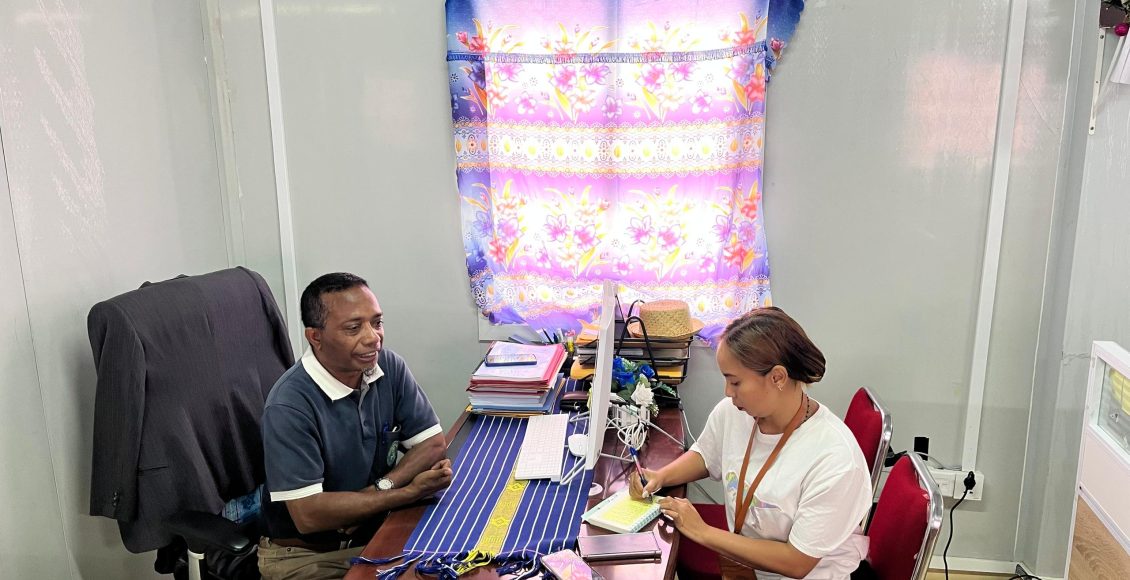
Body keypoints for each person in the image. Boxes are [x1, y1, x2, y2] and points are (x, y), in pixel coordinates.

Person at [629, 307, 871, 580]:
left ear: (778, 377)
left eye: (735, 382)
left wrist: (703, 531)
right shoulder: (736, 412)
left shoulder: (835, 460)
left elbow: (797, 562)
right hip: (745, 567)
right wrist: (661, 476)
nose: (727, 392)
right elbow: (707, 454)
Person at [258, 273, 453, 580]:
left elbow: (432, 443)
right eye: (353, 328)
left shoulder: (387, 366)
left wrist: (380, 490)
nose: (373, 337)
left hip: (376, 530)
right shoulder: (289, 405)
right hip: (307, 557)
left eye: (377, 322)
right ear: (315, 337)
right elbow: (309, 515)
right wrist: (408, 492)